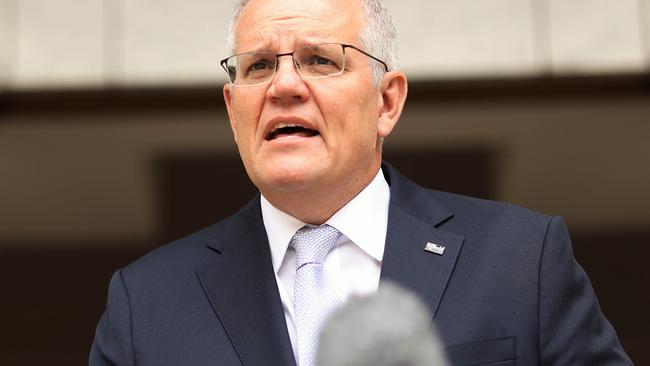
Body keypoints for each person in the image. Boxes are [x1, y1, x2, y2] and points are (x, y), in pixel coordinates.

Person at [90, 0, 633, 365]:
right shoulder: (146, 302)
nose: (283, 85)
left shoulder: (521, 258)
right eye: (257, 67)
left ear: (387, 102)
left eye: (320, 60)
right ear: (234, 110)